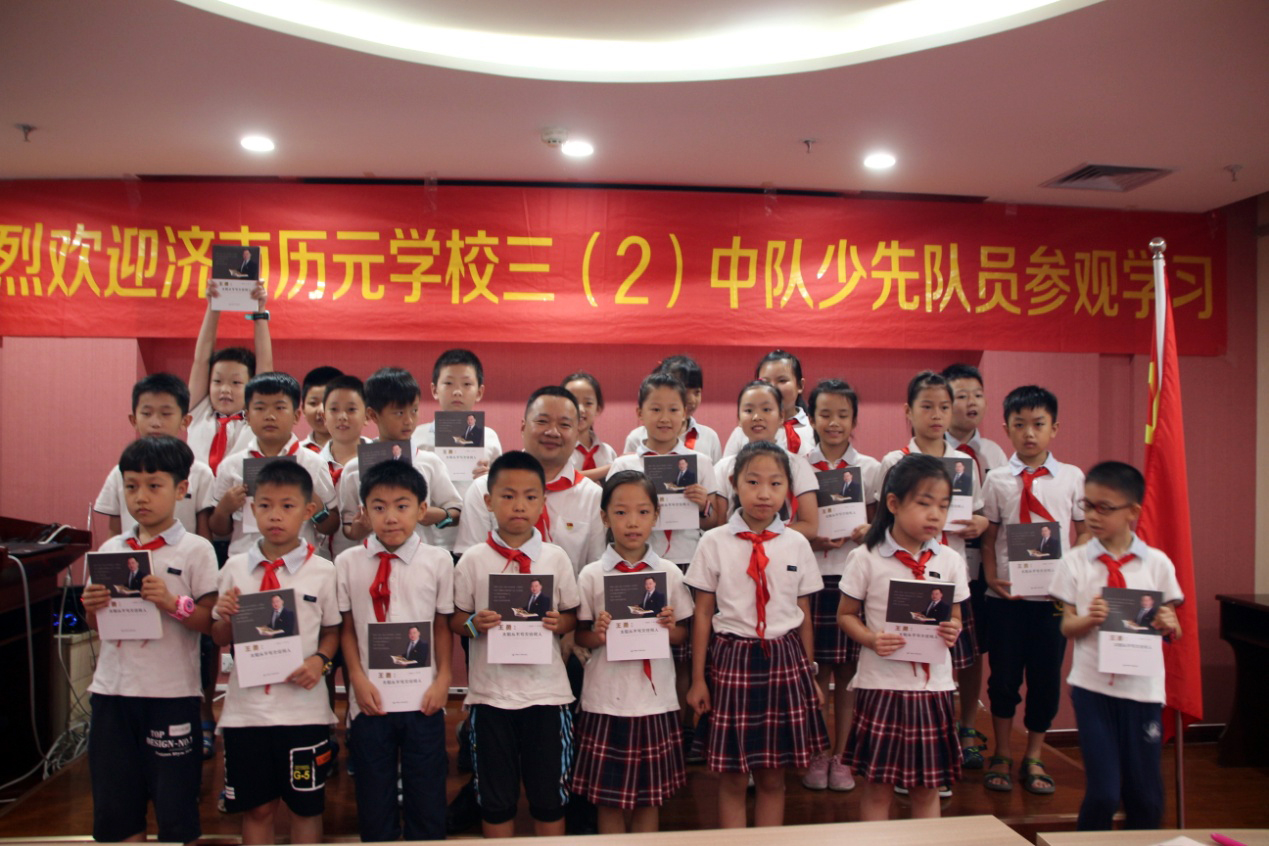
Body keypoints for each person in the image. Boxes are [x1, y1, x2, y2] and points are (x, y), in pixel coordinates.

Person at [81, 436, 218, 846]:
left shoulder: (196, 550)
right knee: (117, 809)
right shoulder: (112, 548)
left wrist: (172, 603)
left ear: (181, 489)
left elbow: (212, 624)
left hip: (170, 694)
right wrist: (92, 606)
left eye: (154, 485)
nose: (141, 497)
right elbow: (95, 624)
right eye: (131, 486)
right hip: (113, 692)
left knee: (175, 809)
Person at [686, 441, 827, 829]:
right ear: (734, 483)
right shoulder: (713, 542)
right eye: (753, 482)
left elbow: (804, 616)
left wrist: (810, 675)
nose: (764, 493)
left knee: (773, 777)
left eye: (775, 483)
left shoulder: (797, 543)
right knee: (732, 777)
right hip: (732, 660)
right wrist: (698, 679)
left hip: (785, 660)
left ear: (788, 490)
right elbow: (702, 614)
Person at [451, 451, 581, 838]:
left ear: (543, 501)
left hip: (547, 695)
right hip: (491, 697)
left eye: (529, 496)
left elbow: (573, 616)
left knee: (550, 797)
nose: (519, 505)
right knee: (495, 799)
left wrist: (560, 623)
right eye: (507, 496)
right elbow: (456, 621)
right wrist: (475, 625)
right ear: (488, 501)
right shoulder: (472, 560)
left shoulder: (556, 558)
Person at [211, 460, 341, 846]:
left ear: (307, 510)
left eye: (287, 506)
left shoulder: (324, 571)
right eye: (265, 506)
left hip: (303, 712)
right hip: (246, 713)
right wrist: (226, 617)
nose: (275, 516)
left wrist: (320, 661)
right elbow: (218, 636)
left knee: (306, 808)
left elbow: (332, 631)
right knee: (257, 810)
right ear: (252, 509)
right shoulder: (234, 569)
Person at [1048, 460, 1183, 831]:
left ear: (1133, 512)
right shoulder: (1075, 562)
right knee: (1104, 793)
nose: (1093, 515)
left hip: (1142, 692)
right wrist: (1088, 619)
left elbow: (1172, 627)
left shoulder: (1156, 564)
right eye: (1088, 505)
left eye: (1104, 508)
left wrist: (1169, 623)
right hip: (1093, 690)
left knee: (1145, 796)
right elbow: (1067, 627)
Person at [836, 453, 969, 821]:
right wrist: (871, 639)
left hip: (933, 689)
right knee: (877, 788)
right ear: (893, 504)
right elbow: (845, 615)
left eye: (943, 505)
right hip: (882, 686)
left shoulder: (950, 560)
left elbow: (956, 615)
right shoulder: (866, 557)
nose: (935, 515)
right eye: (924, 503)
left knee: (927, 789)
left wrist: (953, 628)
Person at [876, 370, 987, 795]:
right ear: (909, 411)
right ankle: (902, 761)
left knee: (944, 671)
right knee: (905, 669)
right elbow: (881, 518)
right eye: (927, 406)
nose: (937, 414)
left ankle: (940, 755)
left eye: (944, 406)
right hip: (901, 579)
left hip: (947, 575)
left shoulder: (965, 462)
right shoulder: (894, 460)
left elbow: (979, 514)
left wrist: (979, 523)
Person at [606, 372, 725, 756]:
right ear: (639, 413)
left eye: (673, 409)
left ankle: (684, 732)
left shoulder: (701, 462)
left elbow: (715, 523)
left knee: (685, 652)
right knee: (643, 647)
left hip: (688, 564)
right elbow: (611, 522)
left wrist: (703, 504)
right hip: (638, 566)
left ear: (686, 413)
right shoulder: (625, 464)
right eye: (655, 409)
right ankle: (644, 725)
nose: (664, 417)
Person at [336, 459, 452, 842]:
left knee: (427, 790)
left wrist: (444, 678)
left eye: (402, 506)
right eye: (379, 506)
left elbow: (441, 625)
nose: (390, 517)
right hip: (371, 696)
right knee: (374, 792)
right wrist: (356, 679)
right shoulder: (347, 563)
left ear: (422, 509)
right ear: (364, 511)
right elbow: (347, 628)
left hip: (423, 697)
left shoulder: (438, 561)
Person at [980, 385, 1087, 794]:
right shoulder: (996, 479)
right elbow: (990, 537)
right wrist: (991, 576)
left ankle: (1036, 756)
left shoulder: (1072, 477)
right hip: (1006, 598)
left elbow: (1084, 533)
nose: (1029, 433)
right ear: (1006, 428)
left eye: (1038, 424)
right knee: (1003, 679)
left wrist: (1069, 577)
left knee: (1045, 680)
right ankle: (1002, 752)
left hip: (1053, 601)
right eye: (1019, 424)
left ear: (1054, 428)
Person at [571, 471, 692, 832]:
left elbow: (682, 635)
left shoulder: (669, 573)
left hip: (655, 701)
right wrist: (598, 633)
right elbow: (580, 636)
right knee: (608, 801)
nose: (633, 522)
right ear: (605, 517)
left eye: (642, 512)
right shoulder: (591, 574)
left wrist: (670, 627)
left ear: (656, 515)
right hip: (606, 700)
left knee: (649, 799)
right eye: (621, 513)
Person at [801, 378, 880, 792]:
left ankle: (844, 756)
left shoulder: (870, 467)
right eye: (825, 414)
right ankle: (817, 752)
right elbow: (790, 521)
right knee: (817, 669)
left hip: (854, 579)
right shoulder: (799, 464)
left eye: (843, 415)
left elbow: (883, 523)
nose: (834, 422)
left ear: (854, 420)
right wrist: (810, 537)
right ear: (812, 418)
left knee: (849, 673)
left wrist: (868, 530)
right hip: (811, 577)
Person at [455, 386, 605, 574]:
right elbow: (470, 568)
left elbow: (595, 572)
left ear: (576, 433)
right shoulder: (483, 489)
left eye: (565, 425)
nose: (553, 432)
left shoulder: (593, 497)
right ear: (523, 427)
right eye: (542, 421)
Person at [941, 363, 1010, 767]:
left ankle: (967, 724)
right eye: (961, 396)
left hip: (981, 567)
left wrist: (983, 523)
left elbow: (999, 513)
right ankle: (938, 726)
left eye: (977, 395)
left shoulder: (995, 454)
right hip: (939, 562)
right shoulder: (930, 451)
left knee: (972, 649)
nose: (971, 403)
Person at [209, 372, 340, 556]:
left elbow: (331, 526)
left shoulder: (314, 464)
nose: (270, 416)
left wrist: (317, 507)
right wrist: (223, 510)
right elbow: (219, 530)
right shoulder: (231, 465)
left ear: (296, 416)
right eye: (260, 408)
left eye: (279, 408)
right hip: (246, 561)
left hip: (300, 562)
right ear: (247, 416)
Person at [338, 367, 463, 553]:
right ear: (373, 415)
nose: (409, 420)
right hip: (371, 559)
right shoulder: (353, 469)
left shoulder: (429, 462)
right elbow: (348, 528)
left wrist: (436, 515)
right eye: (399, 413)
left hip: (419, 559)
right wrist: (361, 527)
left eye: (414, 410)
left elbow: (456, 511)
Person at [94, 372, 216, 540]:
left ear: (185, 421)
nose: (155, 423)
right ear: (134, 420)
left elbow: (204, 534)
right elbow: (114, 531)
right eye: (146, 413)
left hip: (183, 555)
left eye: (166, 414)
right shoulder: (120, 473)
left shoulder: (201, 474)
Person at [411, 349, 502, 551]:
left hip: (476, 539)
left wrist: (490, 478)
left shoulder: (490, 437)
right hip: (430, 540)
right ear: (434, 389)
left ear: (480, 392)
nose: (457, 391)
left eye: (467, 384)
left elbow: (502, 490)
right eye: (449, 383)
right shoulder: (416, 437)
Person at [186, 279, 272, 475]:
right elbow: (201, 360)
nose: (225, 389)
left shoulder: (256, 418)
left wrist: (260, 311)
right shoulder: (198, 412)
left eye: (236, 382)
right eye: (217, 381)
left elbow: (265, 365)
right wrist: (213, 306)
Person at [715, 381, 819, 540]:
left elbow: (810, 526)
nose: (757, 417)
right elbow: (719, 525)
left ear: (781, 416)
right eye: (749, 410)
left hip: (783, 549)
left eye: (766, 409)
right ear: (738, 419)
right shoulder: (723, 467)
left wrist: (764, 539)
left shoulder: (798, 465)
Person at [623, 355, 723, 464]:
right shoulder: (637, 438)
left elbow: (715, 473)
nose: (692, 400)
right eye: (685, 391)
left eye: (697, 392)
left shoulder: (709, 437)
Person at [317, 375, 372, 558]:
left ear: (367, 416)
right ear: (324, 417)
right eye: (334, 409)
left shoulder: (381, 461)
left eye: (351, 409)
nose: (342, 417)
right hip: (320, 560)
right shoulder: (311, 465)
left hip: (369, 560)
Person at [723, 350, 814, 458]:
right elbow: (727, 467)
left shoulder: (814, 429)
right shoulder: (742, 432)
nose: (773, 387)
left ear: (800, 385)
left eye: (782, 380)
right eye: (765, 382)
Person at [564, 371, 616, 481]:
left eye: (588, 403)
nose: (581, 409)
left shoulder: (608, 452)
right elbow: (565, 479)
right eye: (573, 402)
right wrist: (613, 467)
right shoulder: (557, 450)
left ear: (598, 409)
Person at [300, 366, 344, 453]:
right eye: (313, 403)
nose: (321, 410)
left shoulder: (365, 451)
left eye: (329, 402)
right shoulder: (296, 453)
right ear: (303, 409)